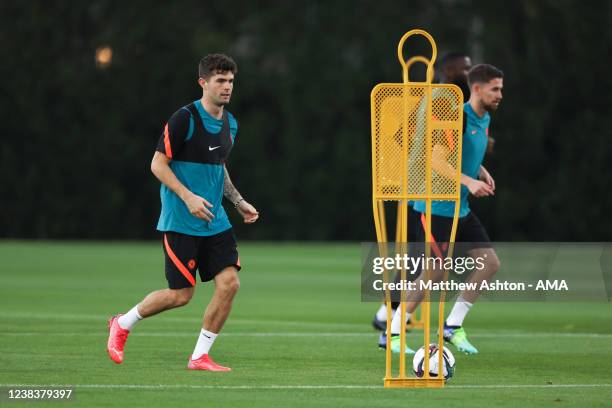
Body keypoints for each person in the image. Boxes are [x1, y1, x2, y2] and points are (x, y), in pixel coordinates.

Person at [106, 53, 259, 371]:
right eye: (220, 80)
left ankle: (200, 356)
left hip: (215, 220)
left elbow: (218, 167)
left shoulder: (230, 123)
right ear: (203, 82)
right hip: (181, 219)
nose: (227, 87)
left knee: (229, 283)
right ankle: (122, 323)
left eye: (230, 81)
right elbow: (157, 164)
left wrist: (237, 200)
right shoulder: (184, 119)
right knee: (181, 295)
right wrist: (188, 197)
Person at [387, 64, 503, 355]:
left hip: (460, 209)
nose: (500, 94)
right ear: (476, 88)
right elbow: (436, 159)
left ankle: (452, 326)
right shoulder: (455, 118)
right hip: (436, 206)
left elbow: (463, 152)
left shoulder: (484, 118)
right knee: (435, 272)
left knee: (489, 264)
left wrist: (480, 171)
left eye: (501, 88)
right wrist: (468, 180)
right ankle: (395, 332)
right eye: (495, 88)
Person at [372, 52, 472, 346]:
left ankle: (386, 316)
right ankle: (389, 322)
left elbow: (403, 137)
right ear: (448, 71)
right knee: (424, 265)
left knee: (418, 261)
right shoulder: (442, 98)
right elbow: (412, 140)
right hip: (429, 190)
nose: (468, 73)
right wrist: (425, 163)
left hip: (422, 186)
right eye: (464, 68)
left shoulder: (430, 98)